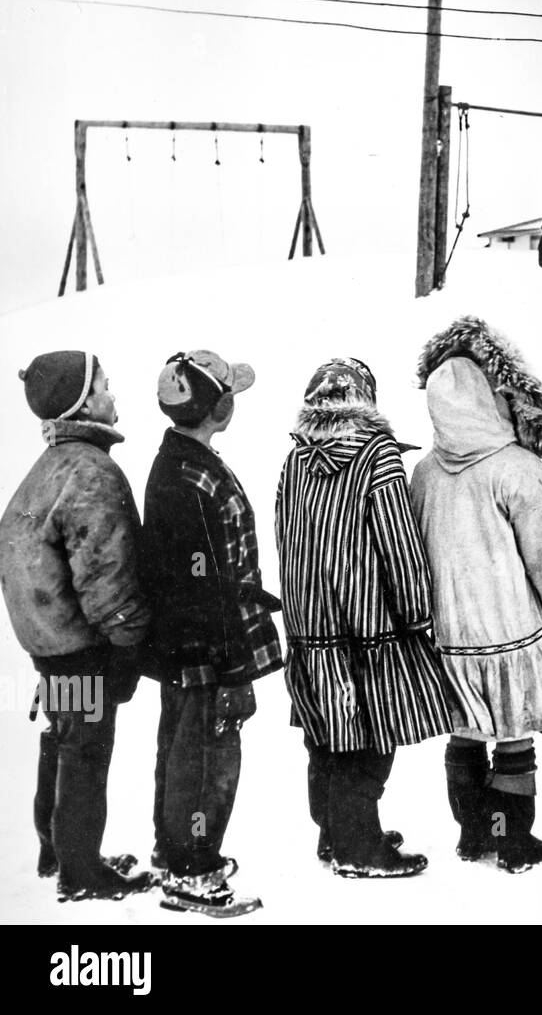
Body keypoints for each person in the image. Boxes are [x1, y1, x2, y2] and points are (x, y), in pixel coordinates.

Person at [411, 316, 542, 873]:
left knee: (466, 732)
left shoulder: (423, 472)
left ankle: (475, 836)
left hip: (451, 635)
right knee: (513, 734)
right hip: (512, 634)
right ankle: (515, 841)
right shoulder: (518, 468)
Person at [275, 357, 458, 879]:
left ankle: (336, 831)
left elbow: (285, 539)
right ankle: (359, 846)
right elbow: (398, 544)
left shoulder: (296, 459)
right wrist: (418, 613)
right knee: (372, 734)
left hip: (313, 629)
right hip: (371, 627)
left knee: (327, 732)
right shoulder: (375, 456)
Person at [0, 352, 157, 902]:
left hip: (50, 645)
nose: (113, 396)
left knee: (64, 740)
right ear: (85, 402)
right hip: (82, 646)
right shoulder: (90, 471)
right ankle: (82, 873)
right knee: (85, 752)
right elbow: (105, 571)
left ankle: (58, 850)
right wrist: (127, 642)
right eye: (106, 386)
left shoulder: (47, 468)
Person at [141, 350, 283, 916]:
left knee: (183, 752)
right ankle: (192, 869)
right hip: (208, 649)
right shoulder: (190, 476)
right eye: (228, 393)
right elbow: (205, 582)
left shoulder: (183, 460)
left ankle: (175, 850)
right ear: (216, 405)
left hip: (193, 643)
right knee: (206, 760)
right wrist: (232, 666)